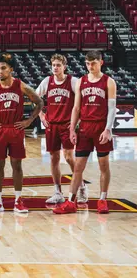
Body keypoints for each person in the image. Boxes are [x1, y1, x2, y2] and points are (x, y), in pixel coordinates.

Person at [0, 53, 43, 213]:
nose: (0, 72)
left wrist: (29, 121)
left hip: (15, 129)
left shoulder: (21, 85)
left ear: (11, 69)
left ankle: (18, 200)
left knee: (17, 165)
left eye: (3, 68)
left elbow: (39, 102)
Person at [53, 50, 117, 214]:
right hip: (84, 128)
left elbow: (111, 108)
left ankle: (102, 200)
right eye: (88, 63)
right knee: (78, 167)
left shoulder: (109, 82)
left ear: (101, 62)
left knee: (104, 165)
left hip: (101, 126)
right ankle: (70, 202)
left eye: (93, 63)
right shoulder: (81, 81)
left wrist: (108, 129)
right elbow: (76, 108)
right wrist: (72, 129)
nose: (90, 66)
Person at [35, 54, 88, 204]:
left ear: (64, 67)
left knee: (69, 157)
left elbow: (81, 102)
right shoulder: (47, 81)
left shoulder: (73, 81)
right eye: (53, 65)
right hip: (51, 125)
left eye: (58, 65)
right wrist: (41, 115)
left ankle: (82, 186)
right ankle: (57, 192)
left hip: (66, 125)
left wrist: (75, 122)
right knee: (53, 158)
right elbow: (35, 98)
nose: (55, 68)